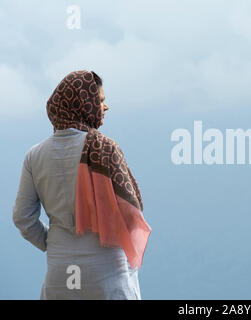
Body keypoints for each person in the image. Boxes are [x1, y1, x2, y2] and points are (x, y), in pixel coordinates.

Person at [12, 70, 152, 300]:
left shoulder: (34, 155)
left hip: (60, 273)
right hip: (107, 273)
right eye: (100, 101)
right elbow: (132, 213)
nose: (105, 107)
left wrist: (55, 244)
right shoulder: (105, 148)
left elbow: (22, 218)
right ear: (84, 103)